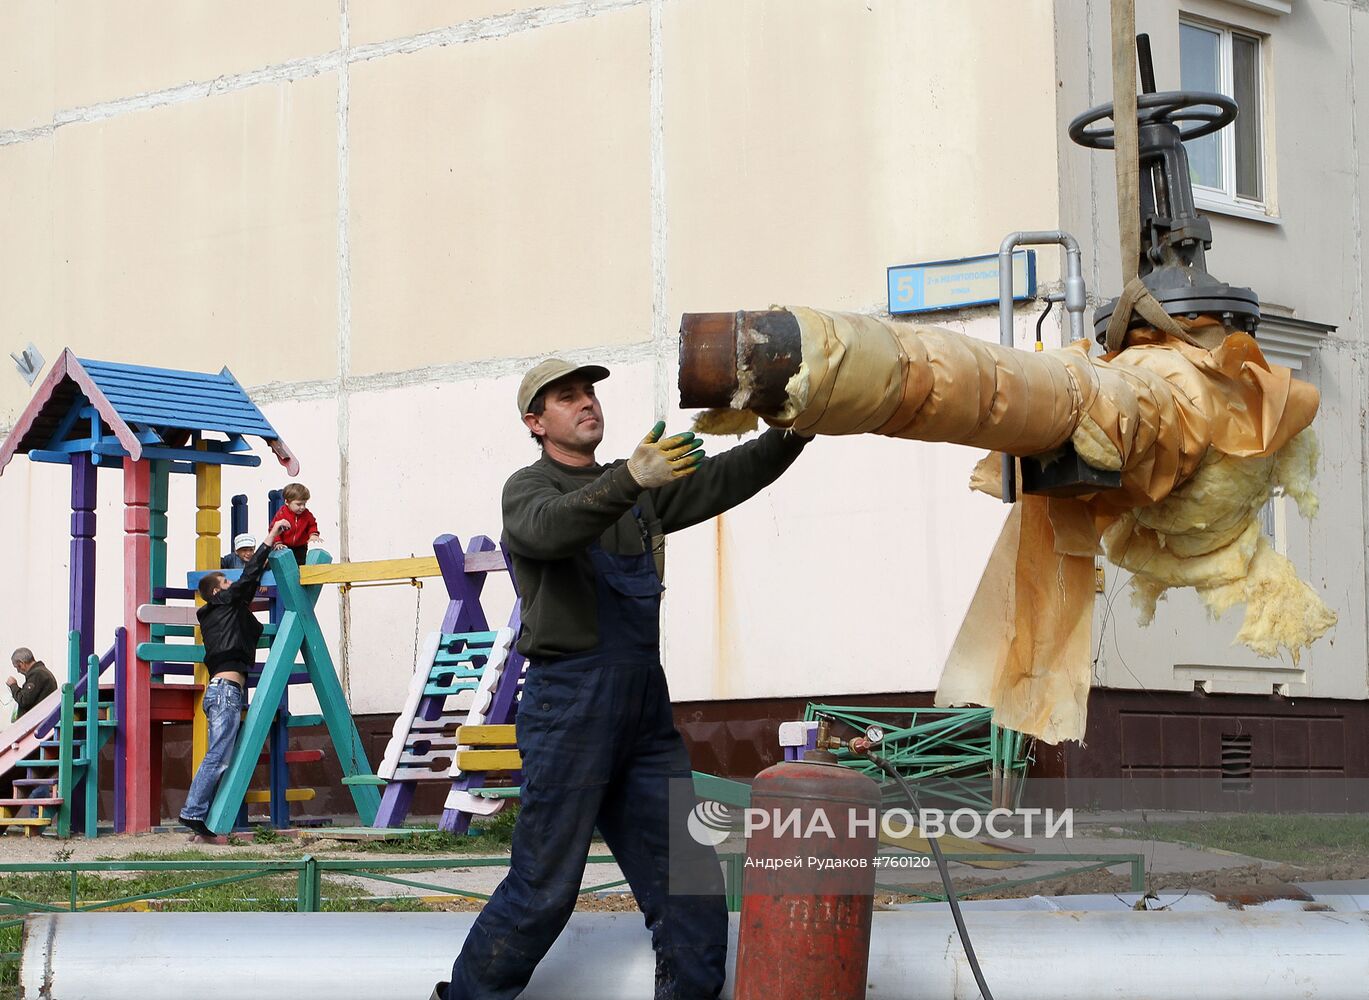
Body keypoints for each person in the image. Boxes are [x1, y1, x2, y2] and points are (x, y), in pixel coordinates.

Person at [434, 358, 811, 1000]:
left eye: (590, 394)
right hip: (568, 708)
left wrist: (796, 431)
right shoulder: (527, 489)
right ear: (536, 422)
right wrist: (632, 478)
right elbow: (551, 530)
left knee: (690, 879)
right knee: (545, 887)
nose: (587, 404)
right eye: (567, 397)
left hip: (643, 710)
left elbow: (728, 476)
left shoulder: (639, 495)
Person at [178, 519, 290, 838]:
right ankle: (193, 811)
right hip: (226, 691)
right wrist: (269, 539)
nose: (233, 585)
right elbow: (250, 577)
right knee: (218, 756)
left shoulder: (218, 615)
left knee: (221, 754)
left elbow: (248, 621)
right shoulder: (226, 604)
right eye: (227, 583)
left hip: (221, 690)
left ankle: (200, 814)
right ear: (217, 592)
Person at [269, 483, 321, 564]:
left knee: (300, 564)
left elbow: (312, 525)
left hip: (300, 547)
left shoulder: (306, 514)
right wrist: (278, 542)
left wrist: (313, 534)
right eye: (298, 504)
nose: (302, 507)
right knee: (284, 564)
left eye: (304, 504)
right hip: (284, 546)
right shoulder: (282, 514)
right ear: (287, 502)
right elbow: (274, 529)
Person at [8, 649, 57, 718]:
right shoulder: (43, 672)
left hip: (35, 721)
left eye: (17, 667)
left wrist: (13, 686)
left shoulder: (37, 674)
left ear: (21, 664)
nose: (18, 671)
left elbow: (24, 700)